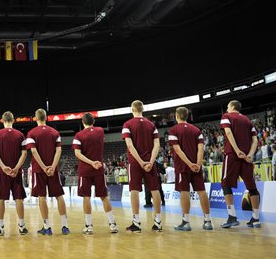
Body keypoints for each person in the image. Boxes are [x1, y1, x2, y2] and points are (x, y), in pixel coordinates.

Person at [72, 112, 118, 234]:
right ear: (94, 122)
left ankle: (89, 226)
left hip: (85, 170)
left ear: (83, 122)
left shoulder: (78, 135)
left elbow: (77, 154)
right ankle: (113, 224)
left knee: (86, 197)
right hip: (99, 168)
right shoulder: (100, 131)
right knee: (104, 196)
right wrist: (95, 162)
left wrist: (91, 162)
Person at [168, 107, 213, 231]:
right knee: (201, 191)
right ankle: (208, 221)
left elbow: (177, 149)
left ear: (177, 116)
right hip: (196, 166)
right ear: (187, 116)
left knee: (184, 192)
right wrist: (197, 164)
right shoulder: (196, 130)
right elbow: (201, 148)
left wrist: (188, 164)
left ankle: (186, 222)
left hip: (183, 167)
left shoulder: (173, 130)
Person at [122, 100, 163, 233]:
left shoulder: (127, 124)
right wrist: (151, 161)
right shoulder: (151, 125)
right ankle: (158, 222)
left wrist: (140, 162)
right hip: (150, 162)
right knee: (154, 190)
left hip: (135, 162)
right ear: (143, 109)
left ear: (132, 109)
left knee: (134, 191)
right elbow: (157, 144)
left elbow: (130, 145)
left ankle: (136, 222)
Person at [26, 108, 69, 235]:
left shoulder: (31, 133)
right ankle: (64, 226)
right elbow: (59, 151)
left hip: (39, 170)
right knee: (59, 196)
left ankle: (47, 227)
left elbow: (33, 151)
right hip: (53, 170)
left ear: (36, 118)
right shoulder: (55, 132)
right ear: (46, 117)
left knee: (41, 197)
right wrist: (52, 166)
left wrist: (44, 167)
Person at [219, 100, 261, 228]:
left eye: (227, 107)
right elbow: (255, 140)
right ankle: (256, 218)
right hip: (247, 157)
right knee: (252, 187)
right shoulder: (248, 120)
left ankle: (232, 217)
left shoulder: (226, 116)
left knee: (225, 183)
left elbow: (228, 132)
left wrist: (237, 150)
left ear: (232, 107)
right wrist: (250, 154)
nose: (227, 109)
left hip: (232, 155)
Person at [0, 111, 28, 236]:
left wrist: (4, 167)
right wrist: (16, 168)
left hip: (2, 173)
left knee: (0, 198)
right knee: (19, 198)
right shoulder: (20, 135)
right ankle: (22, 226)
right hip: (16, 172)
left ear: (2, 120)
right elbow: (24, 153)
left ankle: (0, 227)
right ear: (13, 120)